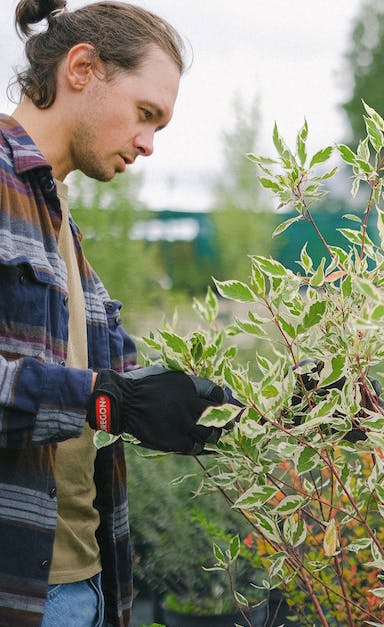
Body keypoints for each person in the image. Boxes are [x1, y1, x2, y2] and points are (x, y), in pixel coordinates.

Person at [0, 2, 236, 625]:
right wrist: (103, 402)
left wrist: (293, 413)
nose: (148, 144)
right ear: (82, 68)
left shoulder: (58, 218)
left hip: (87, 583)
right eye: (145, 114)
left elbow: (140, 394)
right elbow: (105, 398)